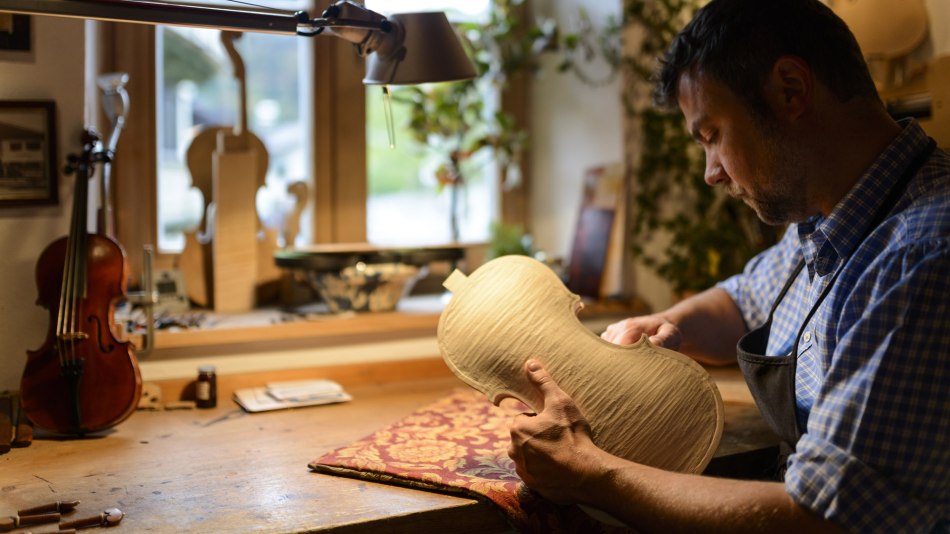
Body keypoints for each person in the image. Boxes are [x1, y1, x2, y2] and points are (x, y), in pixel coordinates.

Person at [506, 0, 949, 532]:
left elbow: (821, 520)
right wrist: (669, 325)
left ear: (791, 90)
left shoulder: (921, 256)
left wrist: (589, 473)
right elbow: (742, 301)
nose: (710, 173)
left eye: (712, 135)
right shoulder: (831, 219)